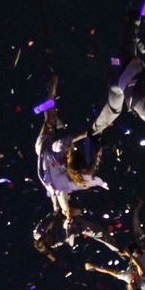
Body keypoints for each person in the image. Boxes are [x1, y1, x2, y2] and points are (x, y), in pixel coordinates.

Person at [35, 73, 107, 259]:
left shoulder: (57, 148)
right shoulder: (66, 182)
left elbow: (75, 138)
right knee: (77, 184)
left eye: (49, 242)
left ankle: (51, 90)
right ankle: (50, 96)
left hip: (45, 149)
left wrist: (91, 132)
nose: (52, 242)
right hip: (55, 179)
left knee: (49, 119)